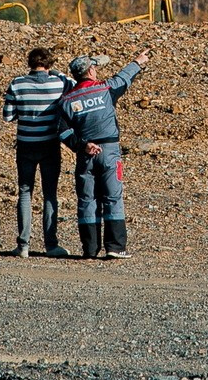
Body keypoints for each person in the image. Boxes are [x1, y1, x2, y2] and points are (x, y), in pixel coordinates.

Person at [53, 50, 150, 260]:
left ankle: (90, 248)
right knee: (112, 198)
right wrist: (138, 62)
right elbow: (123, 78)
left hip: (85, 154)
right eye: (94, 67)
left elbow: (63, 131)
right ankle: (115, 246)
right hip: (109, 151)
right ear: (91, 70)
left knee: (87, 200)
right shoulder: (105, 89)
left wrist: (82, 146)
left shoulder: (66, 100)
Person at [0, 46, 70, 258]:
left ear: (30, 63)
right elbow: (74, 85)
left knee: (24, 192)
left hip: (26, 144)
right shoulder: (60, 82)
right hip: (50, 144)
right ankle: (51, 244)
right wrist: (58, 72)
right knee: (50, 194)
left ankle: (23, 245)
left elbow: (7, 116)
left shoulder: (17, 83)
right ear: (49, 63)